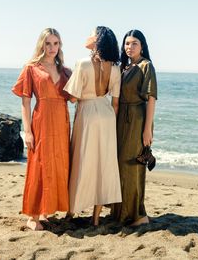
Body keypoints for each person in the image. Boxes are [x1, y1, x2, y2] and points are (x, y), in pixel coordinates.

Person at [12, 28, 71, 230]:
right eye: (48, 43)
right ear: (41, 44)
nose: (52, 48)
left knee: (57, 165)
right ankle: (33, 216)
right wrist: (27, 131)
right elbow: (25, 103)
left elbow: (77, 96)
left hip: (62, 123)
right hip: (42, 121)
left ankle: (47, 210)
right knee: (38, 165)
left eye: (56, 43)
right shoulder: (31, 68)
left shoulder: (65, 70)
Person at [64, 26, 122, 226]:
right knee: (102, 165)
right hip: (106, 115)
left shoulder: (82, 63)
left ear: (97, 40)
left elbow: (72, 98)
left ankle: (71, 211)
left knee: (83, 161)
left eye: (91, 33)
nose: (88, 36)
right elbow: (115, 103)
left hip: (87, 113)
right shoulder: (115, 67)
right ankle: (96, 218)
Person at [112, 29, 157, 226]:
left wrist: (147, 129)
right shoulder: (124, 67)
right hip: (121, 118)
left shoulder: (146, 66)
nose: (130, 47)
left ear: (142, 46)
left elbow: (151, 99)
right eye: (127, 43)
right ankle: (121, 213)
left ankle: (138, 215)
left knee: (132, 166)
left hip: (137, 120)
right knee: (120, 165)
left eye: (134, 43)